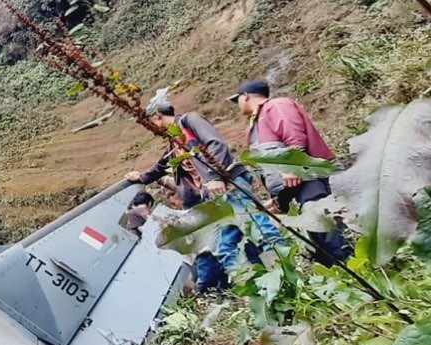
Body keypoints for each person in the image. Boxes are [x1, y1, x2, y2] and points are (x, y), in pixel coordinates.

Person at [126, 101, 283, 287]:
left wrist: (215, 177)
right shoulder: (174, 143)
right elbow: (162, 165)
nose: (151, 129)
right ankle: (262, 288)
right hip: (215, 197)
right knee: (227, 246)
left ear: (157, 116)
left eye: (150, 122)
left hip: (229, 185)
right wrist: (142, 177)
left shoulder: (189, 121)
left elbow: (215, 143)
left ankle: (289, 271)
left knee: (258, 228)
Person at [230, 79, 353, 266]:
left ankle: (354, 267)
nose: (237, 104)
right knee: (315, 232)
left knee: (325, 224)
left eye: (237, 99)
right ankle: (342, 274)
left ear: (246, 96)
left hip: (310, 178)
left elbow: (294, 134)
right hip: (295, 186)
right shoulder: (255, 124)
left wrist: (292, 168)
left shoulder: (276, 105)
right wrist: (280, 197)